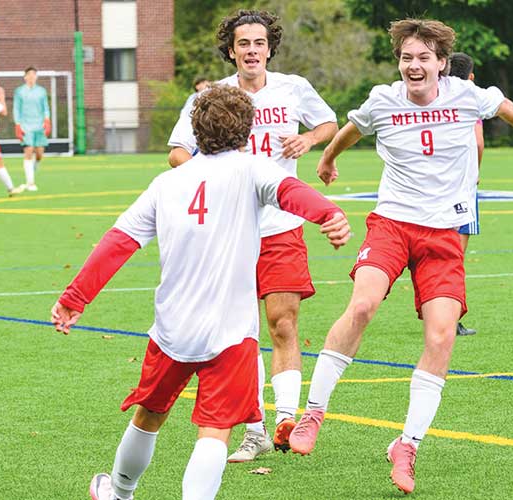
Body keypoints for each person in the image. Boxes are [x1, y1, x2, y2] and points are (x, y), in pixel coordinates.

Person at [51, 84, 350, 500]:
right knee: (214, 432)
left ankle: (119, 493)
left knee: (149, 416)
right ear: (246, 131)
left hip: (173, 330)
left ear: (195, 129)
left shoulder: (167, 182)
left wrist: (73, 299)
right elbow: (293, 194)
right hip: (231, 333)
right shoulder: (253, 169)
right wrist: (330, 215)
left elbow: (117, 242)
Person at [287, 18, 513, 494]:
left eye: (424, 58)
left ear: (442, 65)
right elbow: (351, 128)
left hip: (444, 233)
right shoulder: (383, 100)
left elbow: (503, 106)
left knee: (442, 335)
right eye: (407, 57)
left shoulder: (466, 96)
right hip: (392, 224)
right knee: (362, 305)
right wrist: (327, 159)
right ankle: (313, 413)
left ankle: (407, 445)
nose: (414, 65)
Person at [167, 9, 339, 462]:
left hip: (282, 225)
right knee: (240, 333)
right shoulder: (212, 97)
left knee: (283, 321)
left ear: (269, 48)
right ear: (231, 50)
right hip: (231, 232)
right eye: (243, 44)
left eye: (259, 43)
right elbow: (178, 152)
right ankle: (255, 430)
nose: (251, 51)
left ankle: (286, 418)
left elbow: (328, 124)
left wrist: (308, 140)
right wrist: (217, 169)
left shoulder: (293, 88)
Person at [446, 51, 482, 337]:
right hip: (463, 189)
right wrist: (476, 171)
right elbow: (478, 142)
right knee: (455, 256)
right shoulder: (469, 96)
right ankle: (449, 317)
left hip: (438, 186)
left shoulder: (438, 97)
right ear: (471, 76)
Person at [13, 66, 51, 192]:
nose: (31, 77)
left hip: (39, 125)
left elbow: (45, 107)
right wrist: (18, 124)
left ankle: (33, 169)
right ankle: (30, 182)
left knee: (39, 153)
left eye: (34, 75)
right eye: (29, 75)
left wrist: (47, 120)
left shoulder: (41, 91)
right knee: (28, 150)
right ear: (25, 77)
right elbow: (16, 108)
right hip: (26, 125)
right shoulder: (19, 91)